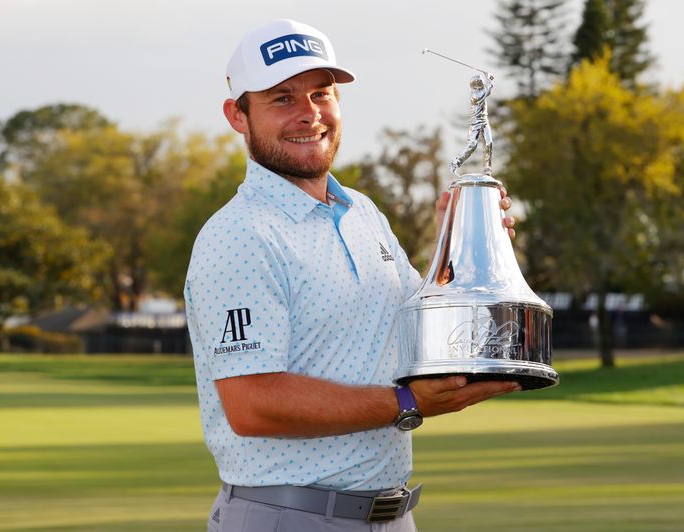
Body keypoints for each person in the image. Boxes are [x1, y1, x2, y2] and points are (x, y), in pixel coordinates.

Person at [184, 19, 519, 532]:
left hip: (390, 515)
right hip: (288, 517)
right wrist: (406, 402)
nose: (309, 114)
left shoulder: (361, 211)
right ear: (237, 115)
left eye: (322, 94)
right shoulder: (240, 234)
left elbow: (417, 327)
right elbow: (253, 404)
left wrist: (459, 242)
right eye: (282, 99)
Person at [449, 73, 495, 177]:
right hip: (476, 124)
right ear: (475, 85)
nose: (481, 83)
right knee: (472, 145)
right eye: (480, 82)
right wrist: (489, 79)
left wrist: (488, 79)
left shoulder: (481, 91)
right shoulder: (475, 95)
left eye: (481, 82)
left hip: (484, 121)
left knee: (489, 142)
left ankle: (487, 167)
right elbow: (487, 91)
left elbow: (487, 90)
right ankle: (455, 163)